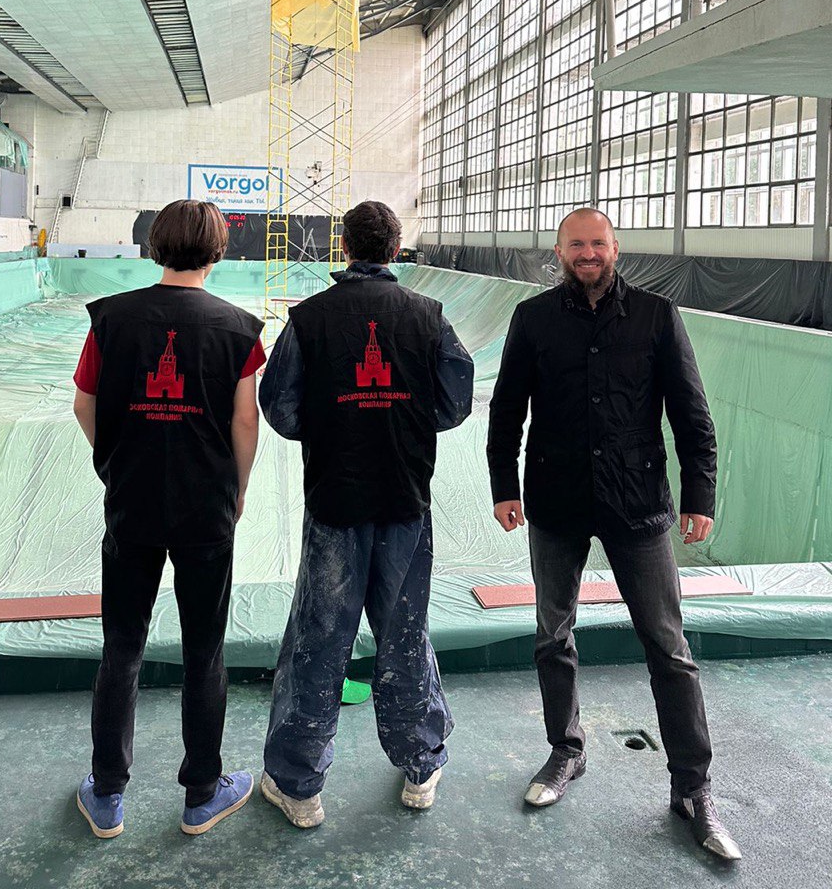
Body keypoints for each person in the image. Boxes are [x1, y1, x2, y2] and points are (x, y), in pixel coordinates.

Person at [487, 207, 741, 862]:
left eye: (597, 243)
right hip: (557, 502)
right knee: (553, 635)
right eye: (576, 244)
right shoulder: (533, 319)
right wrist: (504, 485)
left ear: (615, 247)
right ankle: (565, 751)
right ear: (559, 252)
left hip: (638, 504)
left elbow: (691, 413)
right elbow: (507, 408)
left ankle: (692, 787)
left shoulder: (657, 316)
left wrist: (700, 494)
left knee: (668, 647)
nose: (588, 253)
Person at [258, 200, 474, 827]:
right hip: (404, 497)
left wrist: (338, 426)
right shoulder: (428, 315)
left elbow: (280, 407)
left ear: (345, 247)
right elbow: (454, 401)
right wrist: (398, 423)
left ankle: (300, 786)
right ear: (396, 248)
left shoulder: (309, 318)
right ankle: (420, 767)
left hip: (336, 499)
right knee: (404, 632)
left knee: (320, 639)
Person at [72, 199, 264, 839]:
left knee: (122, 647)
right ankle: (202, 793)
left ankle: (107, 791)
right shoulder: (240, 329)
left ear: (155, 245)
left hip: (132, 502)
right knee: (204, 652)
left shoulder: (110, 319)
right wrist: (237, 487)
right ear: (218, 250)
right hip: (206, 506)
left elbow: (84, 403)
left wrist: (114, 464)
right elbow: (245, 420)